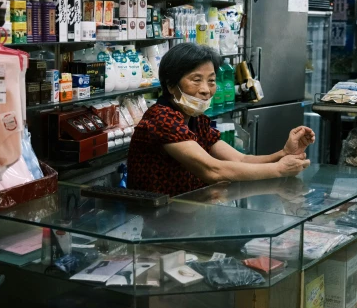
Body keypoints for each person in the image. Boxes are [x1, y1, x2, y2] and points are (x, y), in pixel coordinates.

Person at [127, 43, 314, 196]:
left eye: (211, 80)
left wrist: (283, 154)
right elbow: (213, 171)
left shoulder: (196, 119)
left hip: (185, 215)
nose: (206, 89)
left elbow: (241, 159)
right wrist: (279, 170)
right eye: (196, 80)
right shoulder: (162, 119)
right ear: (170, 85)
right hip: (155, 220)